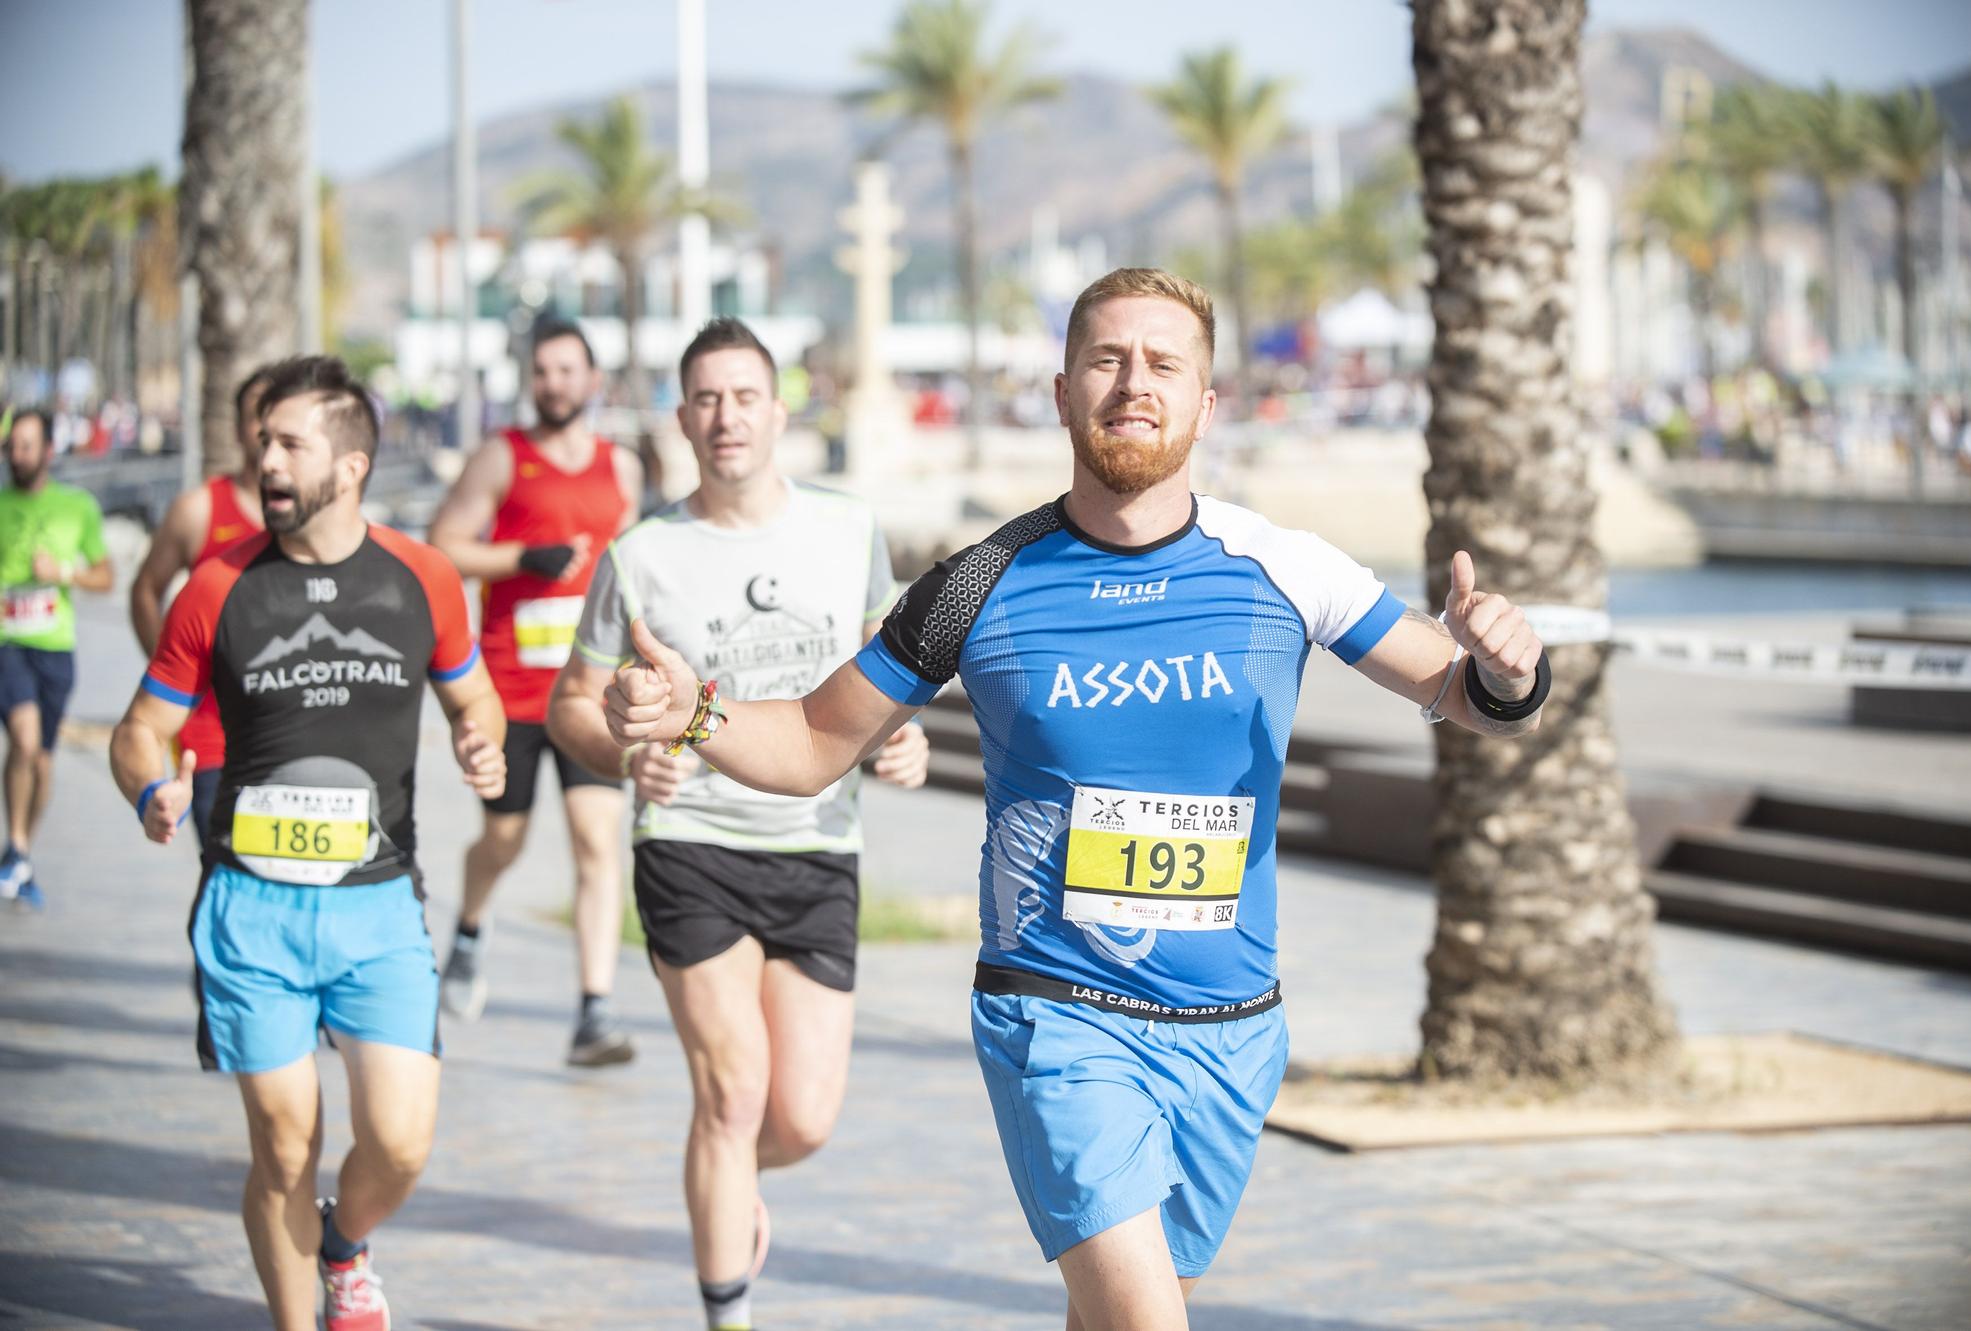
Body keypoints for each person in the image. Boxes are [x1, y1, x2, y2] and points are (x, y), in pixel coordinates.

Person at [599, 270, 1551, 1330]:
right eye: (1105, 359)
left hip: (1231, 1030)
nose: (1132, 384)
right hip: (1056, 1014)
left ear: (1205, 402)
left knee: (1110, 1315)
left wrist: (1507, 669)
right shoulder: (977, 581)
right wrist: (695, 711)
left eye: (1162, 364)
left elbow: (1459, 691)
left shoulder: (1282, 566)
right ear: (1060, 394)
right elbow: (818, 739)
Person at [546, 316, 929, 1331]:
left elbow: (883, 677)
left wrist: (899, 739)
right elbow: (569, 706)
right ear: (681, 418)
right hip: (690, 847)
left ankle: (723, 1178)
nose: (726, 416)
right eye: (706, 399)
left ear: (778, 408)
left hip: (816, 845)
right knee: (730, 1091)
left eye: (744, 395)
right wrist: (630, 747)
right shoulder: (641, 554)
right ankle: (728, 1307)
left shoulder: (848, 530)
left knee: (797, 1116)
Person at [109, 355, 508, 1331]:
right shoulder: (216, 585)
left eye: (291, 443)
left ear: (353, 462)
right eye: (262, 443)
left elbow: (473, 692)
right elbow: (136, 728)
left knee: (402, 1142)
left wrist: (479, 738)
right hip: (253, 906)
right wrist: (149, 788)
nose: (268, 461)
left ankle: (345, 1241)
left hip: (379, 906)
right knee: (284, 1146)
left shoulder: (423, 578)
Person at [425, 320, 644, 1064]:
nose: (554, 382)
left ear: (591, 379)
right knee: (505, 838)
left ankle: (593, 1012)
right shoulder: (502, 457)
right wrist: (523, 555)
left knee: (595, 840)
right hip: (511, 691)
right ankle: (469, 928)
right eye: (542, 371)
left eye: (567, 369)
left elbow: (639, 566)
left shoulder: (623, 468)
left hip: (588, 691)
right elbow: (443, 543)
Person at [129, 367, 274, 853]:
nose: (266, 430)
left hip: (289, 737)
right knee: (227, 865)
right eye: (256, 415)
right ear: (237, 429)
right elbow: (146, 589)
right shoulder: (199, 509)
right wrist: (178, 672)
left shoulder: (314, 524)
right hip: (210, 739)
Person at [0, 407, 114, 908]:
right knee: (24, 741)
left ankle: (21, 849)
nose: (16, 455)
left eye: (27, 445)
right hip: (8, 642)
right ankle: (18, 848)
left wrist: (64, 572)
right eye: (11, 445)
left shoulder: (78, 507)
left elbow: (106, 577)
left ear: (49, 450)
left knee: (42, 759)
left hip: (55, 646)